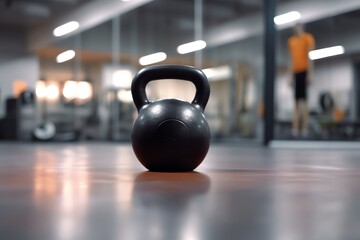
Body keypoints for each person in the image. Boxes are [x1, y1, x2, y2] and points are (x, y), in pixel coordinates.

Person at [288, 22, 315, 137]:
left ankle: (304, 128)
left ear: (302, 28)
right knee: (295, 102)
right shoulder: (291, 41)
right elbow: (291, 59)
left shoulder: (308, 38)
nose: (297, 29)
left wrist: (310, 73)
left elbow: (309, 57)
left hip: (304, 71)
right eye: (295, 28)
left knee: (304, 101)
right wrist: (289, 76)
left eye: (299, 27)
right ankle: (295, 129)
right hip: (295, 72)